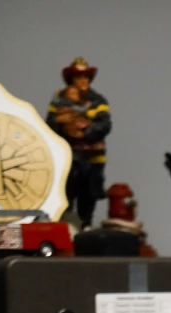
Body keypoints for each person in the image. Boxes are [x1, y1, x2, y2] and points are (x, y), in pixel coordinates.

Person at [46, 58, 111, 227]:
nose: (83, 81)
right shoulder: (59, 100)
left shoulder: (98, 101)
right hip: (67, 156)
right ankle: (67, 223)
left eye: (85, 77)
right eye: (78, 77)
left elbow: (105, 125)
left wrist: (84, 132)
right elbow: (49, 124)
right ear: (71, 80)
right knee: (66, 189)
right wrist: (60, 122)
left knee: (90, 191)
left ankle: (86, 223)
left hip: (92, 157)